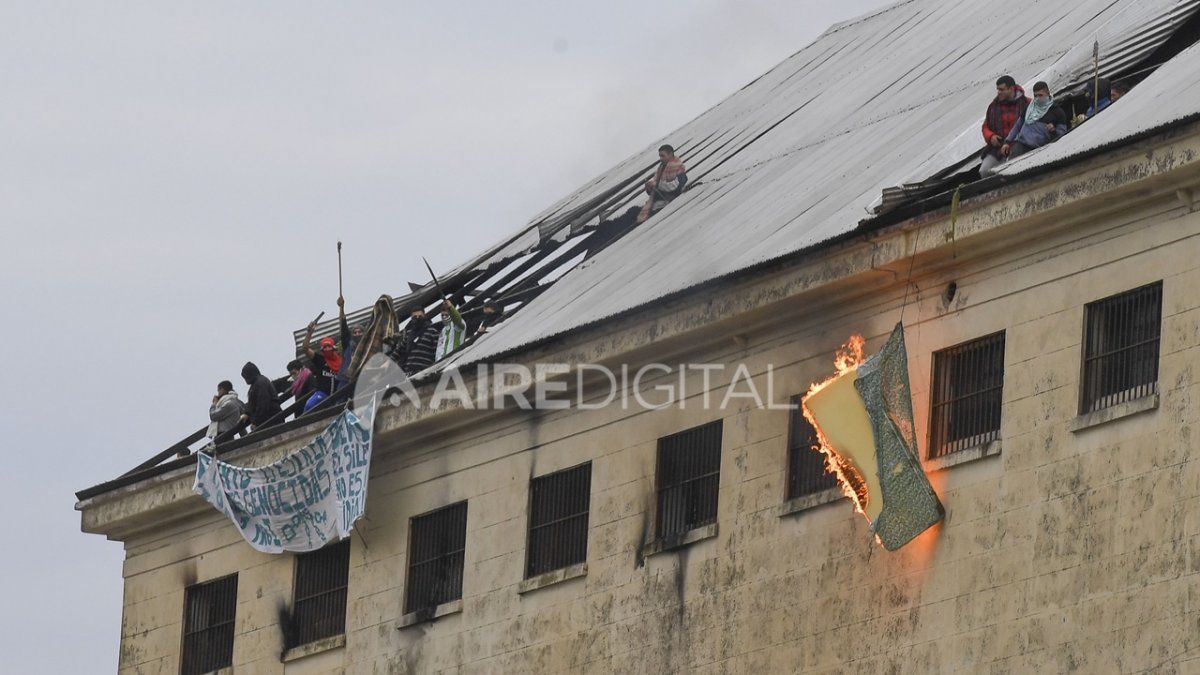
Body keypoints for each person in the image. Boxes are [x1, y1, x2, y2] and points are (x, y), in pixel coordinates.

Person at [998, 81, 1069, 162]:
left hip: (1040, 150)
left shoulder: (1057, 112)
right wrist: (1007, 142)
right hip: (1021, 145)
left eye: (1040, 95)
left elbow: (1063, 135)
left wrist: (1053, 131)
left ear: (1048, 93)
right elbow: (1017, 126)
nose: (1038, 99)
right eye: (1036, 96)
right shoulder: (1029, 108)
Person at [980, 75, 1030, 177]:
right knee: (984, 171)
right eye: (997, 89)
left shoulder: (1027, 103)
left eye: (1001, 89)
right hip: (997, 148)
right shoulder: (993, 106)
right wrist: (991, 136)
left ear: (1011, 88)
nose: (998, 92)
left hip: (1020, 145)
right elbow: (985, 126)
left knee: (1011, 171)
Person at [637, 145, 688, 223]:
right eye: (660, 156)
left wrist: (656, 185)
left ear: (670, 154)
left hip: (671, 204)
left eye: (663, 156)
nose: (660, 158)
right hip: (658, 202)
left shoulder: (679, 168)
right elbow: (656, 182)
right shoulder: (661, 167)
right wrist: (650, 186)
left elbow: (674, 186)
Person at [194, 381, 244, 453]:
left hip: (224, 436)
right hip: (229, 434)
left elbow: (213, 416)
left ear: (222, 390)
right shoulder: (236, 402)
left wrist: (214, 404)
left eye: (218, 391)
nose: (218, 393)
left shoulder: (229, 404)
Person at [302, 320, 343, 396]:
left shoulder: (341, 361)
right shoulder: (319, 359)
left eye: (329, 346)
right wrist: (309, 333)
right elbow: (305, 349)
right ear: (322, 350)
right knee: (309, 405)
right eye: (325, 347)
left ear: (333, 348)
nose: (327, 349)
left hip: (338, 395)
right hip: (322, 394)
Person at [336, 295, 367, 389]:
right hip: (345, 380)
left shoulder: (368, 346)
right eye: (355, 332)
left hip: (361, 380)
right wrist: (341, 308)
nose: (357, 334)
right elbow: (343, 325)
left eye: (360, 332)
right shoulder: (348, 344)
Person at [241, 362, 283, 432]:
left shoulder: (260, 383)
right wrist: (247, 413)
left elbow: (263, 403)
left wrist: (256, 422)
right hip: (268, 418)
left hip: (270, 419)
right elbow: (252, 403)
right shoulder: (256, 384)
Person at [401, 303, 440, 375]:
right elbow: (400, 350)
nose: (418, 318)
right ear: (412, 318)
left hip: (425, 372)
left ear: (424, 316)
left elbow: (437, 353)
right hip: (408, 373)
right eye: (415, 317)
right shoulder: (409, 333)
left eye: (420, 316)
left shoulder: (432, 331)